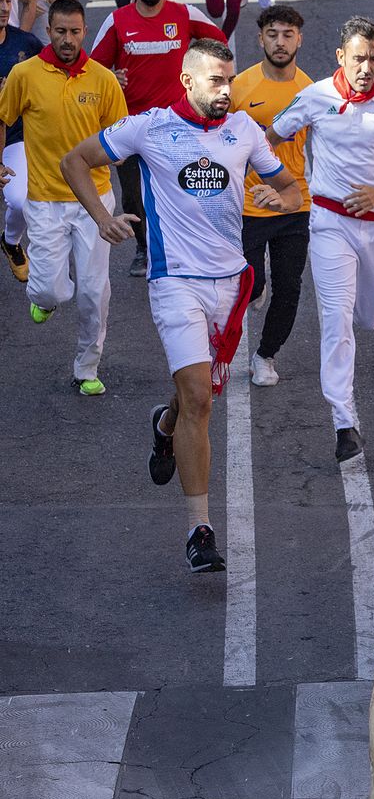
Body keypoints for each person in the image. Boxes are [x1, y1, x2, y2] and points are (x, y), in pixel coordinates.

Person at [61, 38, 301, 571]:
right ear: (188, 81)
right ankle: (200, 530)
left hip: (229, 284)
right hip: (174, 282)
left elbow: (288, 186)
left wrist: (276, 197)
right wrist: (103, 218)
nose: (227, 90)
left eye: (230, 79)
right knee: (200, 398)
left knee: (192, 396)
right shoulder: (148, 127)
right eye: (216, 80)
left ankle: (163, 427)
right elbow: (74, 159)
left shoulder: (244, 131)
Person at [265, 16, 374, 462]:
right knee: (335, 322)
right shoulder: (315, 96)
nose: (367, 67)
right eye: (358, 58)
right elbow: (271, 136)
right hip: (329, 223)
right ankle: (344, 422)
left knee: (368, 319)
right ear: (341, 57)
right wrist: (275, 184)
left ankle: (357, 317)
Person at [0, 0, 128, 395]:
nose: (68, 39)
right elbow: (3, 117)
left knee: (94, 291)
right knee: (46, 290)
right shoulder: (25, 74)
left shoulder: (103, 79)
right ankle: (48, 296)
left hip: (96, 202)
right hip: (44, 198)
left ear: (84, 32)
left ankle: (86, 368)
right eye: (60, 31)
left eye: (75, 32)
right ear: (48, 31)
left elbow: (119, 133)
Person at [91, 0, 227, 277]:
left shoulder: (182, 14)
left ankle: (184, 246)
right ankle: (143, 247)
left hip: (177, 124)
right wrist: (112, 76)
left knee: (185, 188)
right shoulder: (118, 21)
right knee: (134, 196)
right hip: (129, 125)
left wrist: (198, 70)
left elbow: (219, 44)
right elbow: (92, 70)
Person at [232, 4, 311, 387]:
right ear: (260, 38)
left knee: (290, 286)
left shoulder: (311, 91)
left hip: (296, 203)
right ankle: (254, 291)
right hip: (247, 206)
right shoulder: (239, 87)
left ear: (299, 39)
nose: (280, 42)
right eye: (273, 34)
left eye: (287, 35)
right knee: (251, 283)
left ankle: (265, 355)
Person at [0, 0, 43, 283]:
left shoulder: (24, 43)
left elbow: (55, 70)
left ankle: (11, 240)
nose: (4, 8)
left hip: (12, 139)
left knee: (19, 199)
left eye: (7, 1)